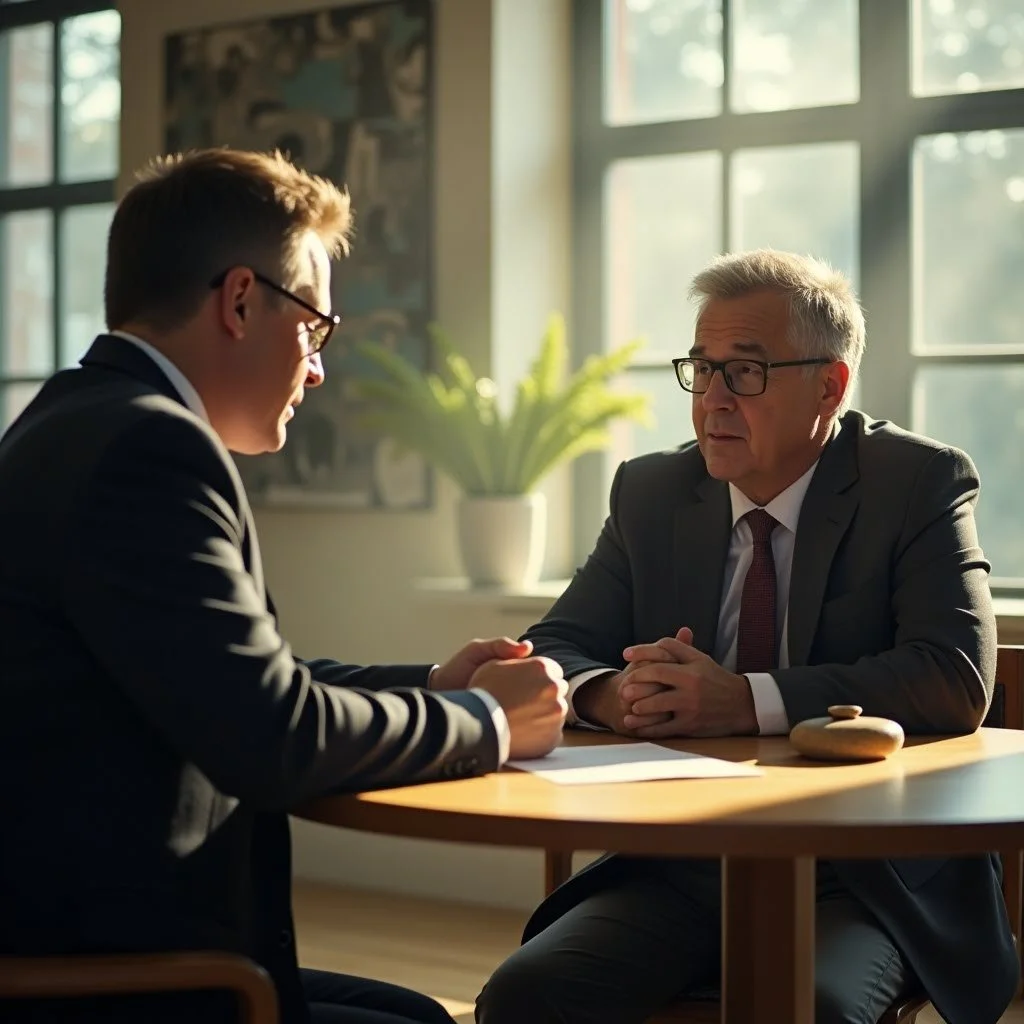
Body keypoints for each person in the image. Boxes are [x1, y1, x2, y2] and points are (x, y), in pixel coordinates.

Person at [0, 148, 568, 1024]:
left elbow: (238, 684)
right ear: (238, 301)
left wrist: (431, 687)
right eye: (315, 326)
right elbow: (274, 736)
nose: (317, 368)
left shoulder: (69, 420)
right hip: (119, 982)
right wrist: (491, 722)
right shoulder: (150, 451)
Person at [476, 249, 1018, 1024]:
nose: (713, 401)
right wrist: (614, 693)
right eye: (701, 369)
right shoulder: (653, 491)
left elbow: (954, 677)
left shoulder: (915, 483)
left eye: (747, 373)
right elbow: (557, 643)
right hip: (684, 855)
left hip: (865, 869)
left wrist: (745, 701)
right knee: (524, 1000)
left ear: (829, 386)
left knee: (811, 1011)